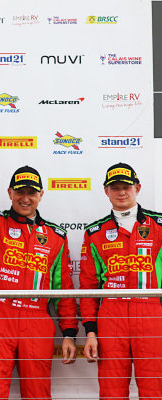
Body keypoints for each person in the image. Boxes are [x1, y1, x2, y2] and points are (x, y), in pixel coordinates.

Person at [0, 136, 78, 400]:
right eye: (19, 192)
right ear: (9, 193)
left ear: (41, 195)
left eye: (31, 193)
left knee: (38, 395)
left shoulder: (56, 236)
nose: (25, 198)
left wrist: (69, 332)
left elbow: (63, 289)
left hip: (38, 320)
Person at [80, 162, 162, 400]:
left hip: (152, 315)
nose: (121, 192)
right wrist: (91, 331)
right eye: (114, 187)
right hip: (111, 318)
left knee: (155, 390)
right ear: (106, 191)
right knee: (111, 392)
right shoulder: (94, 232)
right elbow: (88, 287)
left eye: (126, 186)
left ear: (137, 187)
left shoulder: (159, 225)